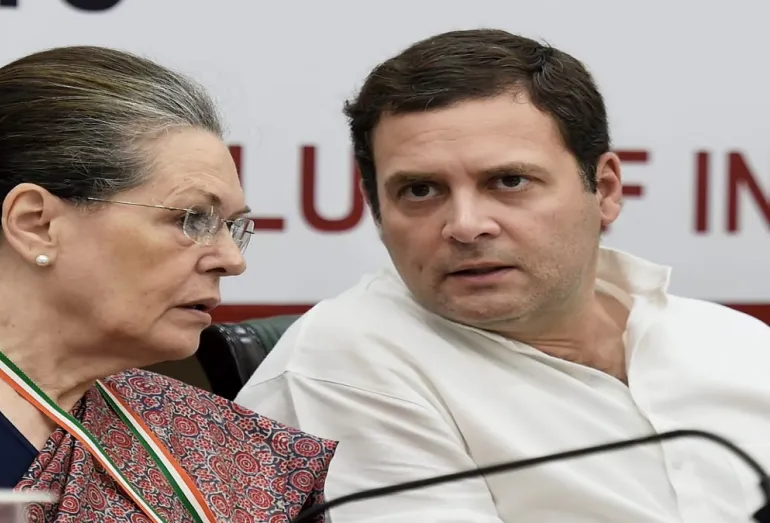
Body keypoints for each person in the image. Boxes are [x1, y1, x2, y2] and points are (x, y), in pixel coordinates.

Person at [235, 29, 770, 522]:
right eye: (420, 190)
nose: (466, 226)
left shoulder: (737, 343)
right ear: (376, 210)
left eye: (509, 181)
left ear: (605, 189)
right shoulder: (345, 364)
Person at [0, 46, 336, 523]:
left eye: (231, 226)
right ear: (36, 223)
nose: (231, 260)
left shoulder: (202, 435)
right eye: (191, 218)